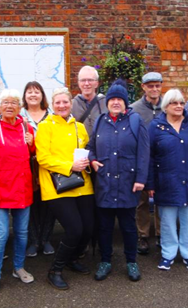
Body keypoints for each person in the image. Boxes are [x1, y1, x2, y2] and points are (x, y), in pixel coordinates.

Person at [87, 80, 149, 282]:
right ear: (107, 102)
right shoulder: (100, 121)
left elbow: (144, 152)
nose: (115, 102)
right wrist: (92, 160)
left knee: (128, 226)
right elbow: (91, 147)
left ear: (125, 102)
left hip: (127, 183)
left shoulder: (135, 121)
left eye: (119, 99)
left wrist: (141, 179)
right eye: (112, 99)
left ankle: (131, 261)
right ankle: (105, 260)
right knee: (104, 227)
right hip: (104, 183)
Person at [146, 89, 188, 271]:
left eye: (181, 103)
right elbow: (149, 157)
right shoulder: (155, 126)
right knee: (167, 221)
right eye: (174, 103)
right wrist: (150, 183)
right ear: (165, 106)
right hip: (165, 182)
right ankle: (168, 254)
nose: (178, 106)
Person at [0, 89, 35, 296]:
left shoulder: (26, 128)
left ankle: (18, 267)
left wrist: (33, 144)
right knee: (0, 235)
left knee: (21, 234)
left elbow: (32, 155)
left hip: (22, 189)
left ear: (19, 107)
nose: (9, 106)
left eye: (14, 103)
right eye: (5, 103)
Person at [35, 87, 95, 290]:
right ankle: (55, 270)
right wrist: (69, 166)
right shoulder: (45, 126)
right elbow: (43, 158)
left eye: (65, 102)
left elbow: (86, 151)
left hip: (83, 184)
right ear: (52, 104)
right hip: (57, 186)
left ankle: (72, 258)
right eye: (58, 102)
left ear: (71, 103)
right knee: (74, 229)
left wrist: (88, 161)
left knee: (88, 227)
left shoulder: (80, 126)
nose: (62, 105)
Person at [20, 81, 56, 258]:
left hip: (48, 166)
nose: (33, 95)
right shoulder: (19, 116)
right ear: (24, 96)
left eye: (36, 91)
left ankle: (47, 238)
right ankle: (34, 241)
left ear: (42, 95)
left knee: (49, 203)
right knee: (32, 203)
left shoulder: (52, 115)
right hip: (26, 167)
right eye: (29, 92)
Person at [130, 72, 163, 255]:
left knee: (162, 200)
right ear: (143, 87)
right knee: (141, 201)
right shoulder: (134, 109)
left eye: (157, 85)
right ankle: (143, 235)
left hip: (163, 160)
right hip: (141, 160)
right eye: (150, 85)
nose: (154, 89)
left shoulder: (168, 106)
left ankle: (160, 234)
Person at [71, 65, 107, 134]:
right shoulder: (71, 106)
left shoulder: (105, 104)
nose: (86, 83)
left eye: (90, 80)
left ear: (96, 83)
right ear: (79, 83)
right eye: (83, 80)